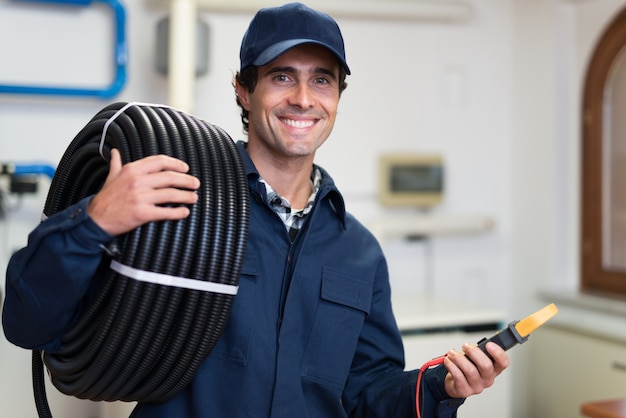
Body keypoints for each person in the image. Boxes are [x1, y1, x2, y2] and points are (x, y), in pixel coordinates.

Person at [3, 3, 509, 417]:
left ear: (337, 97)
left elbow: (362, 395)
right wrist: (93, 222)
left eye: (322, 80)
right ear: (245, 91)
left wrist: (439, 388)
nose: (304, 99)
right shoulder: (173, 200)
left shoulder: (358, 251)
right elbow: (28, 324)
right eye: (283, 77)